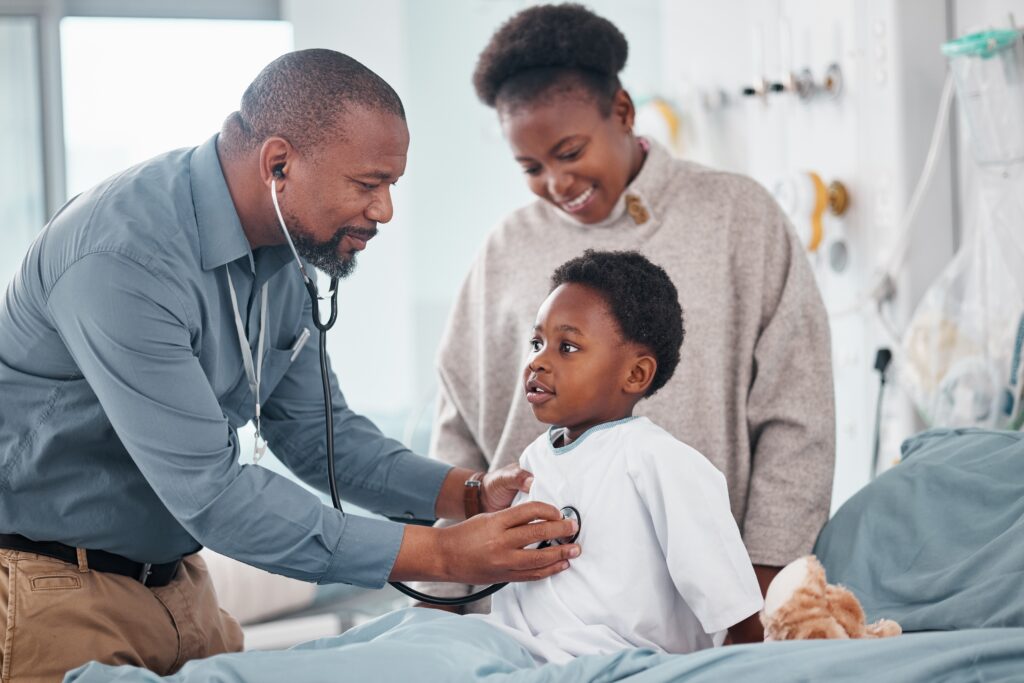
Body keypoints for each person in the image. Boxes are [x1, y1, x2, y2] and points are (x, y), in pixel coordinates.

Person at [0, 49, 578, 682]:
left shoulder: (287, 252)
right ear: (279, 164)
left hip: (180, 587)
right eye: (368, 184)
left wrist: (469, 494)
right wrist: (440, 554)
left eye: (391, 185)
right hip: (53, 591)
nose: (385, 210)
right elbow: (215, 495)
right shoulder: (123, 258)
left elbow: (319, 435)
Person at [420, 4, 836, 629]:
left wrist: (758, 592)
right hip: (522, 621)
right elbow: (457, 432)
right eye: (531, 168)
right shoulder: (504, 250)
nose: (557, 183)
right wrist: (448, 597)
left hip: (702, 617)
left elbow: (797, 417)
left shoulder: (738, 218)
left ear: (622, 111)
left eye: (569, 152)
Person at [470, 250, 764, 664]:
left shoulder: (657, 461)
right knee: (416, 638)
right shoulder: (535, 460)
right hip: (521, 655)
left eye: (567, 347)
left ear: (635, 375)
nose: (537, 361)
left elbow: (729, 597)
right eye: (537, 343)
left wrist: (764, 662)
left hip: (619, 662)